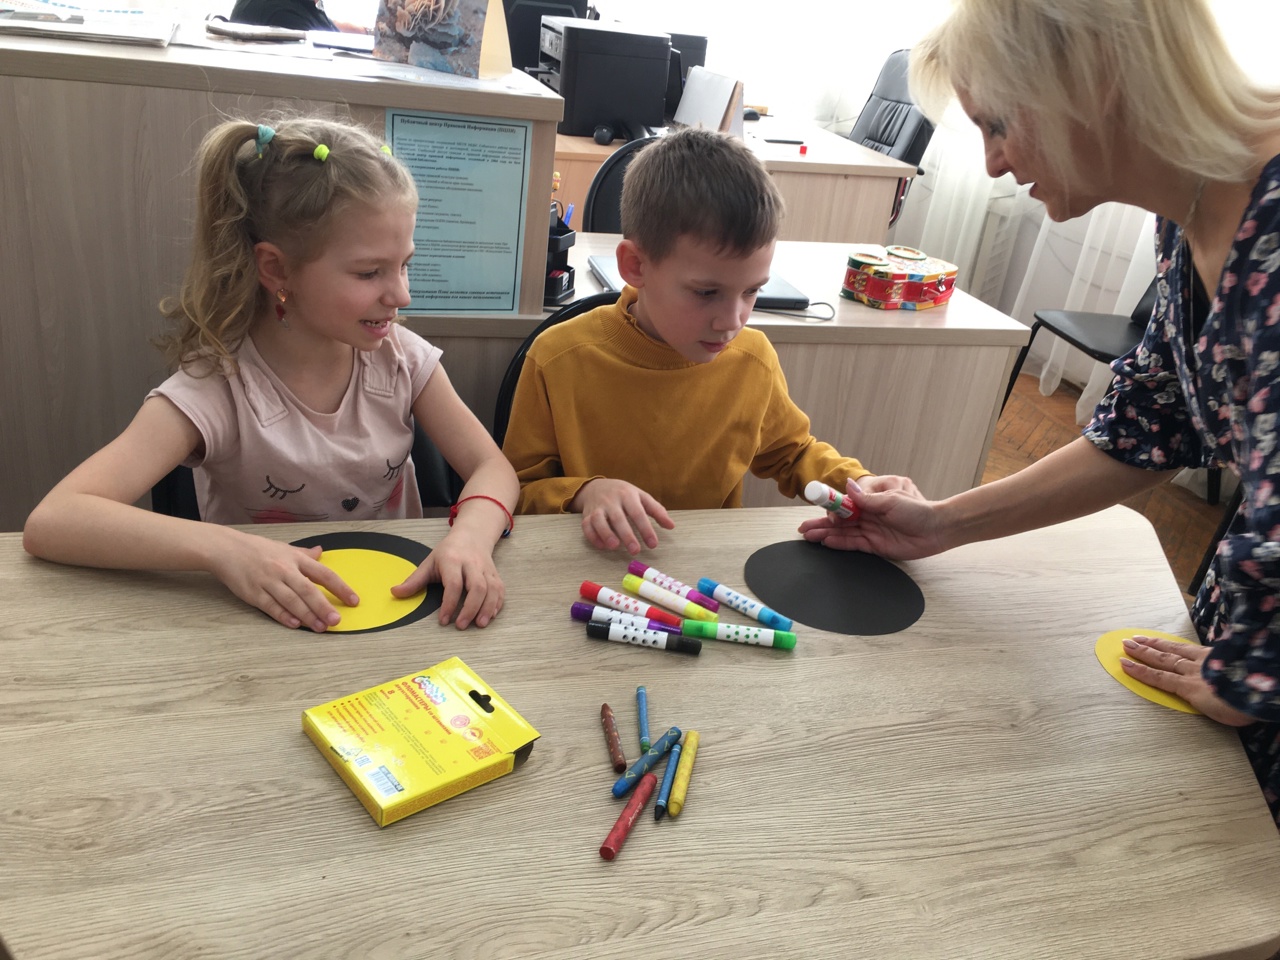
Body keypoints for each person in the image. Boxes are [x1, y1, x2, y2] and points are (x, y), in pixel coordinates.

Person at [799, 0, 1280, 826]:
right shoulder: (1192, 214)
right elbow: (1146, 427)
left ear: (1086, 81)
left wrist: (1253, 675)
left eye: (998, 125)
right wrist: (940, 523)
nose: (991, 164)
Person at [23, 116, 518, 633]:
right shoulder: (217, 385)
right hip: (266, 631)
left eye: (405, 264)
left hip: (399, 617)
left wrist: (471, 537)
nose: (402, 295)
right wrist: (225, 550)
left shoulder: (403, 359)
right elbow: (55, 519)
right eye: (370, 272)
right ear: (277, 269)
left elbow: (494, 468)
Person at [501, 127, 908, 554]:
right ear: (636, 266)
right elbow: (518, 492)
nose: (732, 322)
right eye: (706, 292)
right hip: (592, 568)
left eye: (752, 291)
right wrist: (585, 493)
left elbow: (793, 453)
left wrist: (860, 484)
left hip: (706, 570)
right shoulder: (557, 358)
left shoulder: (753, 359)